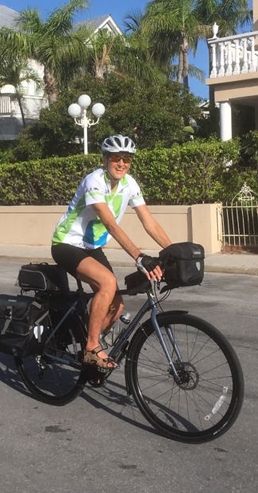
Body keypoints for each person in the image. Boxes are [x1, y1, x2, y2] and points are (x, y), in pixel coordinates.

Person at [51, 134, 172, 369]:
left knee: (117, 305)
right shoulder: (94, 181)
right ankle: (91, 348)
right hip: (66, 244)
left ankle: (88, 338)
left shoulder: (130, 184)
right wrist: (139, 256)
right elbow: (110, 224)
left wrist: (173, 250)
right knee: (107, 283)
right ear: (105, 159)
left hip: (91, 247)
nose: (122, 164)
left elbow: (149, 222)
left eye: (127, 159)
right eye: (116, 158)